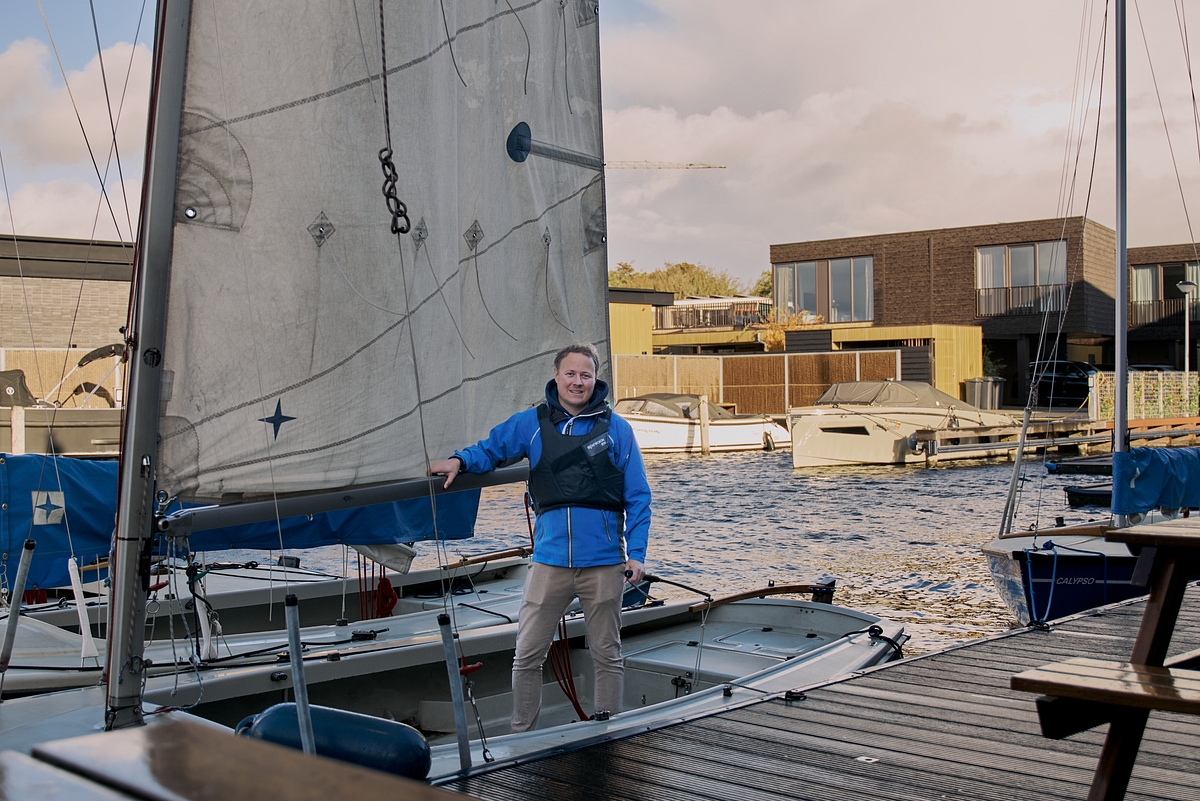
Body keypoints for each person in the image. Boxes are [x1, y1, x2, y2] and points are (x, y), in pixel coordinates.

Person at [429, 342, 651, 732]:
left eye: (586, 375)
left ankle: (608, 728)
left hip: (603, 564)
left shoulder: (618, 429)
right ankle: (522, 733)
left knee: (606, 653)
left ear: (596, 379)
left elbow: (638, 496)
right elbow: (491, 450)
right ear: (556, 376)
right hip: (549, 562)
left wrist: (636, 554)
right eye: (570, 374)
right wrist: (460, 461)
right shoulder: (530, 424)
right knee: (527, 654)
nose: (578, 382)